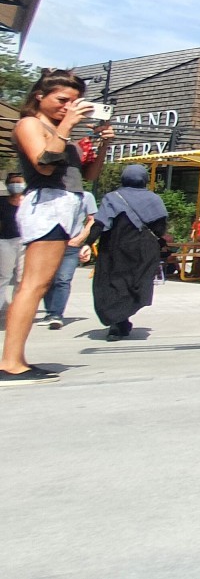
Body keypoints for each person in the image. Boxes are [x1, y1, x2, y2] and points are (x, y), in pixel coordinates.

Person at [4, 70, 112, 383]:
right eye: (62, 100)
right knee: (33, 285)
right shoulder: (30, 124)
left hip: (66, 205)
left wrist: (103, 145)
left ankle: (15, 359)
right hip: (48, 204)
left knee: (39, 284)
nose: (68, 107)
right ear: (40, 95)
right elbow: (43, 161)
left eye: (75, 102)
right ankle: (11, 362)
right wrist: (67, 127)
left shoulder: (56, 129)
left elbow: (89, 176)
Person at [93, 164, 168, 340]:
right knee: (136, 283)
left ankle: (117, 322)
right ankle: (121, 319)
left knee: (113, 283)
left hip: (114, 248)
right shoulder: (153, 199)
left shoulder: (112, 197)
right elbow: (160, 228)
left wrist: (86, 243)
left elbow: (100, 223)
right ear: (144, 179)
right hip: (143, 249)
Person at [40, 191, 96, 329]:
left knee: (63, 279)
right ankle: (50, 312)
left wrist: (80, 239)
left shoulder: (86, 196)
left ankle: (56, 315)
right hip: (50, 243)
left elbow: (92, 220)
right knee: (48, 279)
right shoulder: (52, 193)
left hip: (71, 244)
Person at [0, 173, 24, 320]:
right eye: (13, 182)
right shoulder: (2, 202)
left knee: (22, 279)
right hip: (6, 241)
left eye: (18, 181)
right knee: (4, 276)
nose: (15, 184)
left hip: (25, 242)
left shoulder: (29, 202)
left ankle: (17, 309)